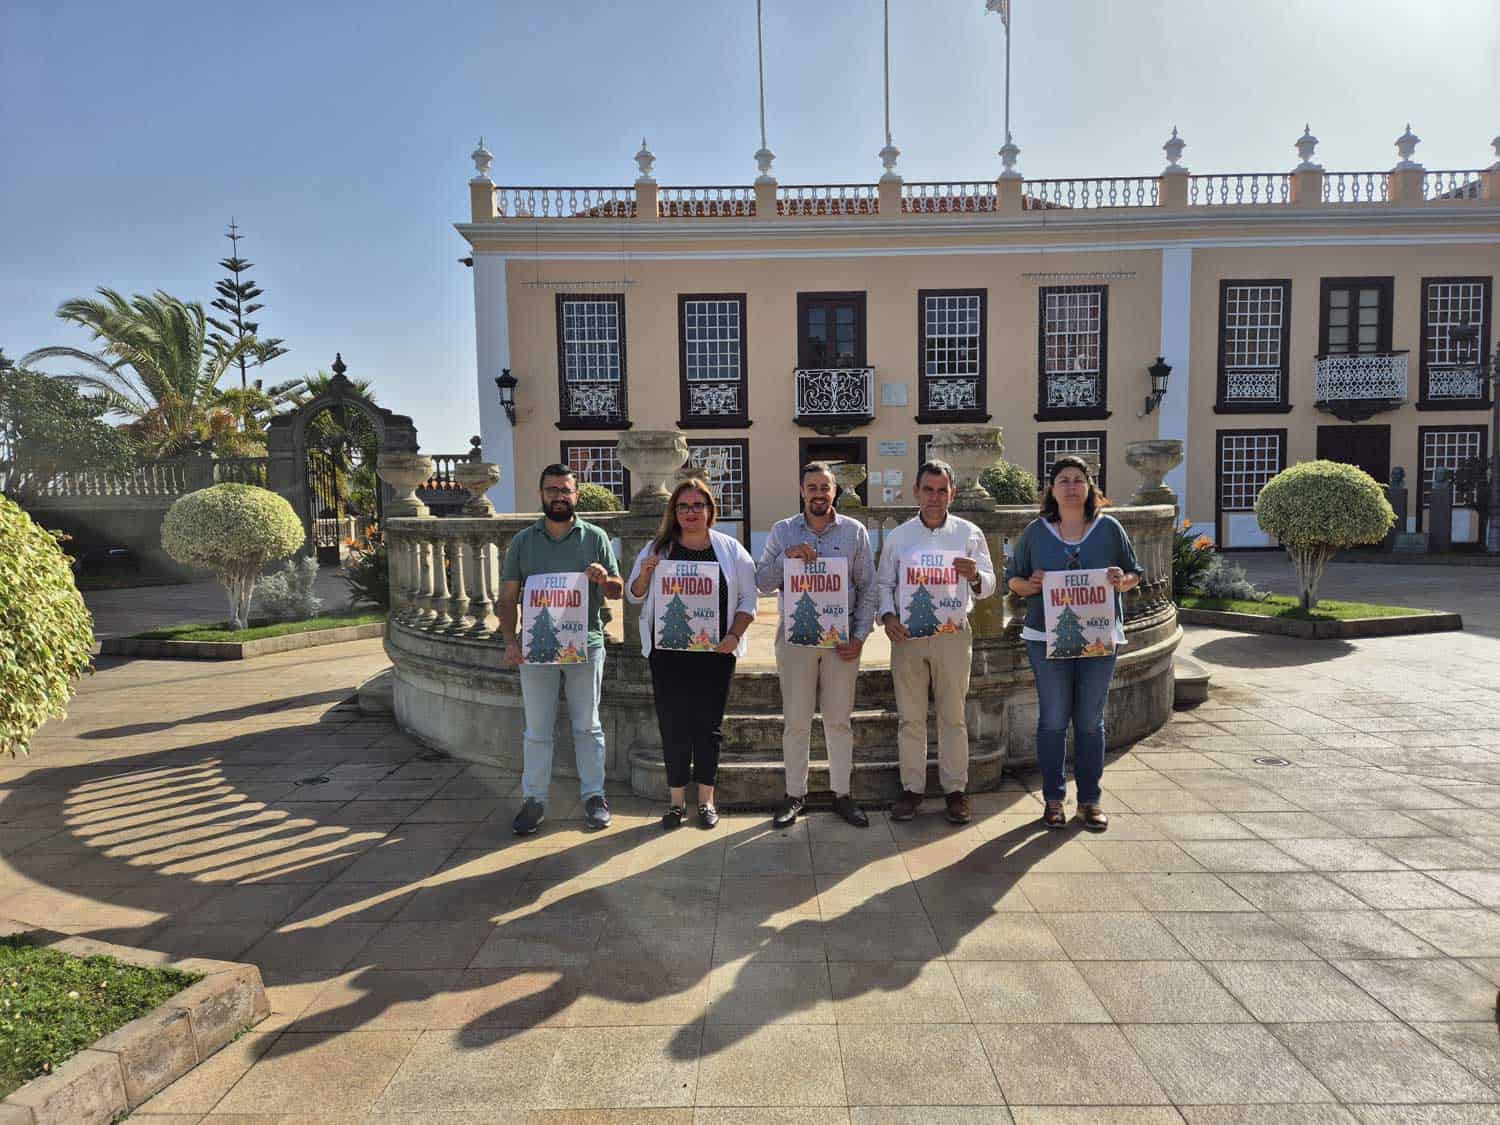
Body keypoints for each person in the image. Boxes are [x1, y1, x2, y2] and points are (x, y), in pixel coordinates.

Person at [1004, 455, 1143, 832]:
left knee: (1089, 721)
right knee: (1053, 719)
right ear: (1051, 489)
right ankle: (1053, 800)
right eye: (1063, 479)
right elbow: (1013, 580)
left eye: (1078, 479)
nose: (1071, 486)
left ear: (1089, 486)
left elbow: (1134, 573)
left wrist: (1122, 580)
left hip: (1100, 638)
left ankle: (1089, 801)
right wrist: (1030, 584)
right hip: (1044, 637)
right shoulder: (1036, 532)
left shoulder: (1109, 529)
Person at [498, 464, 623, 836]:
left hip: (586, 645)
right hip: (536, 649)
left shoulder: (595, 537)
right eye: (552, 489)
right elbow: (507, 598)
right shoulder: (523, 542)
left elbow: (617, 590)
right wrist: (510, 642)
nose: (559, 496)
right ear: (541, 494)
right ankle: (534, 800)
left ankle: (594, 797)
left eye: (565, 490)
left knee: (588, 726)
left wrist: (605, 579)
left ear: (576, 495)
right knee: (537, 729)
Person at [627, 477, 757, 830]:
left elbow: (749, 599)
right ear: (674, 511)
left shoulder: (731, 550)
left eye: (698, 505)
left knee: (708, 728)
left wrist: (734, 635)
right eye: (683, 506)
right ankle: (675, 803)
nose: (690, 512)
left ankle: (706, 801)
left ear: (710, 510)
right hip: (668, 654)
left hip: (716, 653)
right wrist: (645, 574)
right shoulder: (658, 548)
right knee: (673, 726)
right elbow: (634, 595)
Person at [875, 459, 997, 825]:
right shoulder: (899, 537)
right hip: (908, 638)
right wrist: (889, 617)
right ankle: (912, 790)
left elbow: (989, 585)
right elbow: (884, 584)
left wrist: (975, 576)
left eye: (942, 490)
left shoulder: (968, 533)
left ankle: (955, 790)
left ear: (952, 494)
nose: (934, 496)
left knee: (953, 716)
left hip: (952, 636)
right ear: (916, 492)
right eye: (928, 489)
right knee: (910, 717)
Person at [756, 462, 878, 828]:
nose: (819, 494)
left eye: (825, 487)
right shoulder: (783, 531)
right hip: (796, 640)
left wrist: (860, 636)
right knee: (796, 721)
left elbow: (868, 587)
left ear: (835, 491)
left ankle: (842, 794)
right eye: (812, 487)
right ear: (801, 491)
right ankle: (795, 794)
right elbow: (762, 581)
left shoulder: (855, 531)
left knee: (839, 721)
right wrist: (786, 557)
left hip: (841, 641)